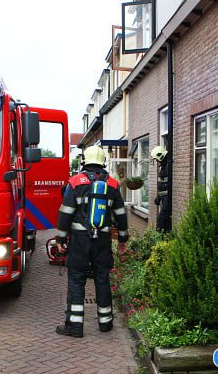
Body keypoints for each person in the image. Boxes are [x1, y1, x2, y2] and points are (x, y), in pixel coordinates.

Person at [54, 145, 129, 338]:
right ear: (104, 162)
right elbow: (121, 214)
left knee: (76, 279)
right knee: (102, 278)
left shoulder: (75, 182)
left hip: (79, 240)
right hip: (102, 240)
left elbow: (65, 213)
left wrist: (60, 238)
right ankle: (105, 322)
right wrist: (123, 238)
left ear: (84, 161)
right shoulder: (113, 184)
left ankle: (74, 326)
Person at [151, 146, 171, 232]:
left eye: (156, 159)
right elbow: (162, 185)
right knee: (165, 221)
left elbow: (165, 186)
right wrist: (158, 197)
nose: (156, 161)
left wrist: (160, 197)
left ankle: (159, 237)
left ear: (161, 156)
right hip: (164, 198)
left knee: (161, 220)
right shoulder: (163, 167)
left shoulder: (167, 168)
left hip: (167, 199)